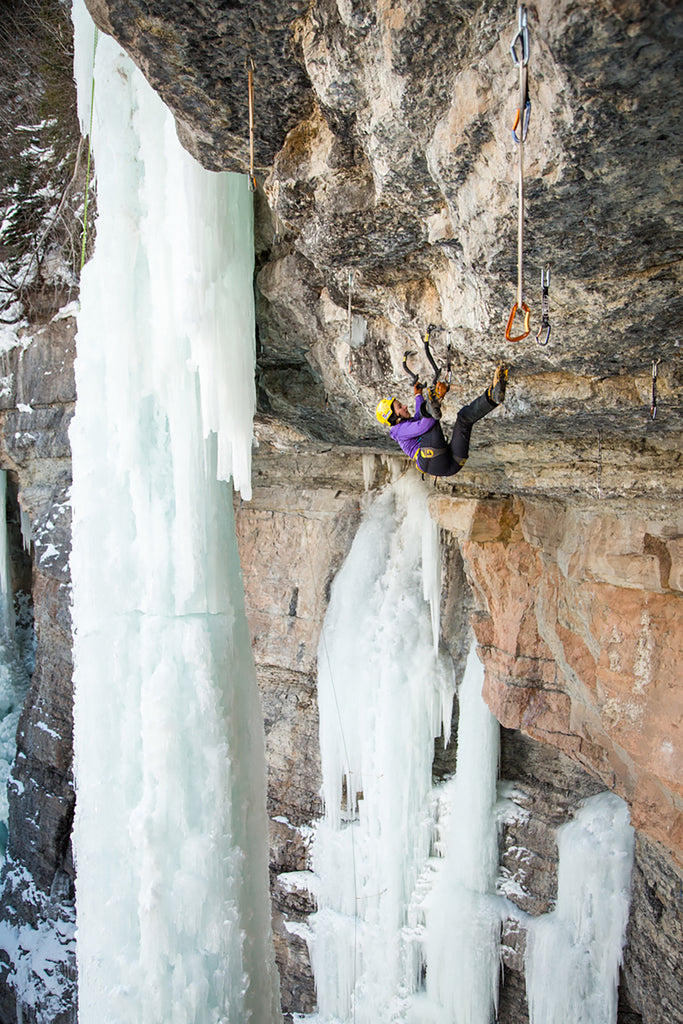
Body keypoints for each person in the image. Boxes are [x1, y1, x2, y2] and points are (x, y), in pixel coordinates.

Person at [375, 364, 508, 478]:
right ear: (394, 418)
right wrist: (436, 400)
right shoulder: (398, 431)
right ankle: (435, 400)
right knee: (428, 421)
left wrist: (418, 395)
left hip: (452, 464)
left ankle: (492, 398)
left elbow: (419, 415)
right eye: (399, 407)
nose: (404, 406)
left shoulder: (406, 424)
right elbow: (423, 426)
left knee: (464, 419)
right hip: (431, 460)